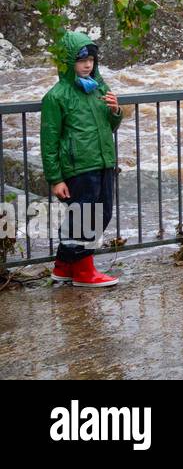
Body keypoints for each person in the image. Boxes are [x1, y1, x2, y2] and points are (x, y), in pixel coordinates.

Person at [40, 32, 123, 288]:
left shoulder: (100, 88)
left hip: (103, 162)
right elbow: (49, 142)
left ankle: (63, 267)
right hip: (78, 167)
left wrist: (116, 110)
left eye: (91, 59)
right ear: (68, 63)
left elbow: (111, 125)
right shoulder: (56, 96)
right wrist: (56, 179)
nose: (88, 64)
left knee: (102, 213)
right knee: (85, 217)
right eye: (81, 60)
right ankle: (84, 273)